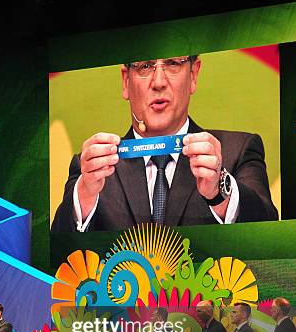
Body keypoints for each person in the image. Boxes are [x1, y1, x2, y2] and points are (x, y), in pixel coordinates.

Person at [51, 55, 278, 232]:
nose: (158, 82)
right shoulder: (93, 167)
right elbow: (57, 254)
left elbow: (271, 236)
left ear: (194, 74)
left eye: (172, 63)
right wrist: (85, 194)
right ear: (126, 81)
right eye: (145, 66)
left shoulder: (238, 150)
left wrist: (220, 191)